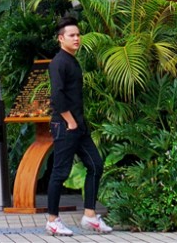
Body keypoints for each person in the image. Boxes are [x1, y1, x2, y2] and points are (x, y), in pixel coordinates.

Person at [43, 20, 110, 235]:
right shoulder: (58, 62)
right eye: (71, 35)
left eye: (78, 34)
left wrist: (77, 122)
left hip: (78, 125)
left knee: (95, 165)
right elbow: (56, 96)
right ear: (61, 38)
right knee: (60, 173)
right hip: (65, 125)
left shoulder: (72, 61)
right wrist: (70, 121)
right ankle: (53, 220)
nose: (76, 38)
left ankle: (89, 216)